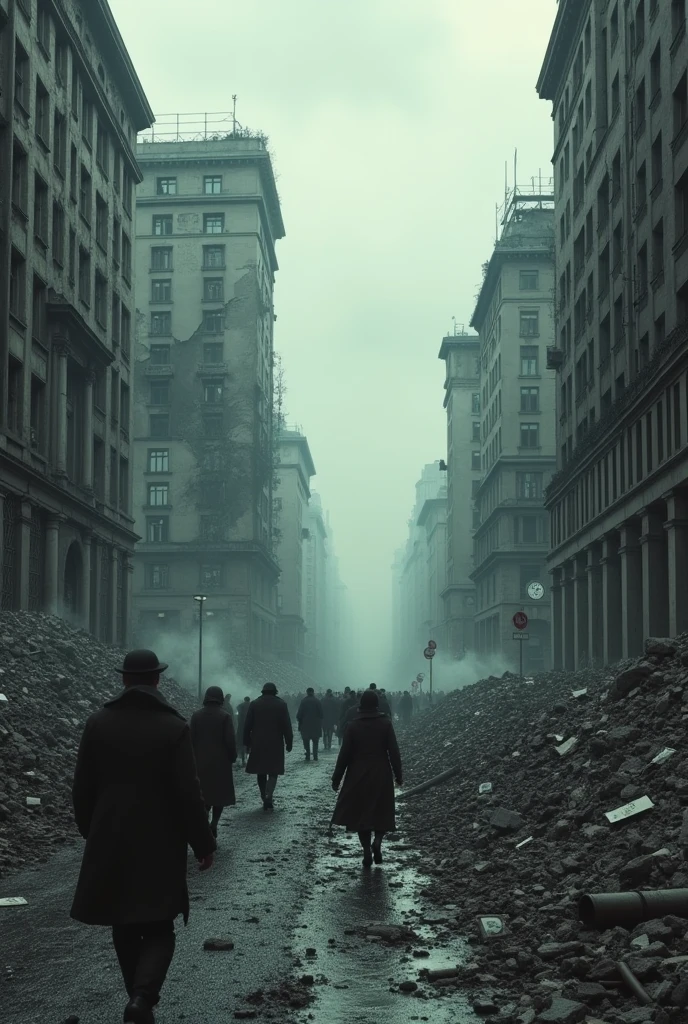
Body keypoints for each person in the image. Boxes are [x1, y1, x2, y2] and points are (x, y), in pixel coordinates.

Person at [70, 649, 215, 1024]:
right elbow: (189, 793)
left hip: (111, 838)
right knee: (159, 924)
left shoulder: (97, 723)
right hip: (160, 841)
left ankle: (138, 998)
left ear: (123, 681)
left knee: (123, 921)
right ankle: (142, 998)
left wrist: (91, 831)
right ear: (156, 680)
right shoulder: (173, 727)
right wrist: (203, 843)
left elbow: (82, 788)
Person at [331, 689, 402, 868]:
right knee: (382, 810)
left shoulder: (353, 726)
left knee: (361, 814)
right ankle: (377, 841)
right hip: (381, 772)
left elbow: (344, 754)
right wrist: (398, 775)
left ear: (361, 705)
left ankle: (365, 851)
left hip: (357, 774)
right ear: (376, 705)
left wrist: (336, 778)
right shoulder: (385, 723)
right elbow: (393, 751)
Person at [190, 686, 237, 838]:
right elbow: (230, 740)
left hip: (200, 761)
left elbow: (190, 739)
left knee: (203, 795)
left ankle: (203, 825)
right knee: (219, 795)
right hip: (220, 763)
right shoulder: (225, 716)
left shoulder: (196, 716)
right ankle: (214, 824)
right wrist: (233, 756)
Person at [243, 682, 293, 810]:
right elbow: (287, 725)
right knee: (273, 770)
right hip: (275, 742)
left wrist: (246, 742)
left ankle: (263, 794)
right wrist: (289, 741)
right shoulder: (281, 704)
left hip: (258, 742)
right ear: (275, 691)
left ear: (263, 691)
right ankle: (268, 795)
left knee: (261, 771)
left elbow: (247, 725)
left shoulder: (255, 704)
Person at [297, 686, 323, 761]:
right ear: (313, 692)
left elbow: (299, 715)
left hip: (305, 725)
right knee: (315, 742)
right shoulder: (317, 701)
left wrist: (300, 722)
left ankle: (307, 756)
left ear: (307, 692)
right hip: (316, 725)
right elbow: (321, 714)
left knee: (306, 742)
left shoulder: (303, 701)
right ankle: (315, 756)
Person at [237, 696, 251, 766]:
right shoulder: (252, 705)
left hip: (242, 726)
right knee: (250, 743)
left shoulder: (241, 705)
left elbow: (238, 711)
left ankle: (243, 759)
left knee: (242, 743)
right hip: (250, 727)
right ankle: (249, 758)